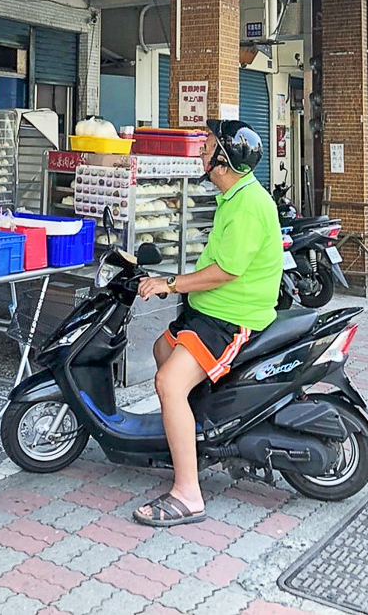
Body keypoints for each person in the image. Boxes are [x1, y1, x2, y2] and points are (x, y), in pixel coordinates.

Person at [134, 119, 282, 527]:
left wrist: (171, 284)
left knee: (168, 383)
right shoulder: (231, 196)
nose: (201, 150)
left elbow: (226, 271)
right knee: (161, 350)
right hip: (208, 311)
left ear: (223, 158)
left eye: (208, 145)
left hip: (231, 318)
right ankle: (195, 438)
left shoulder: (249, 204)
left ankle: (187, 494)